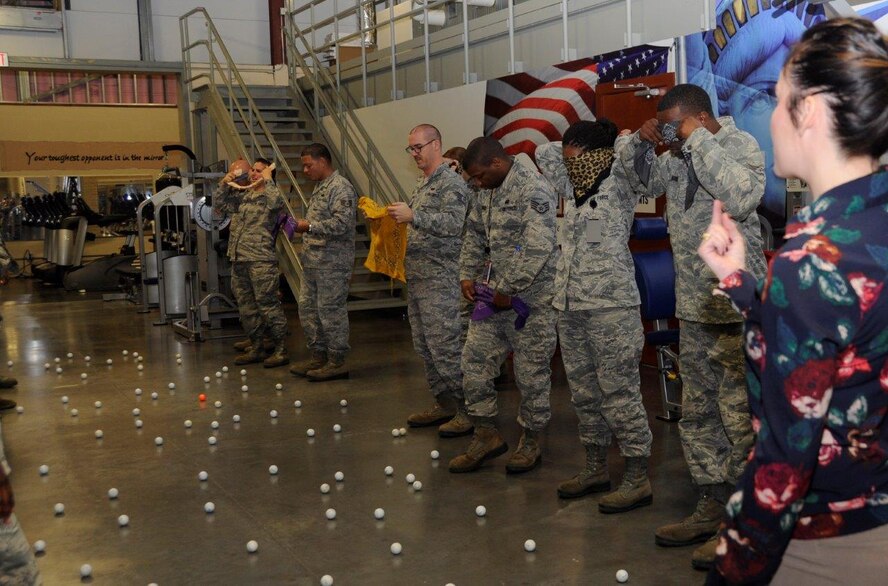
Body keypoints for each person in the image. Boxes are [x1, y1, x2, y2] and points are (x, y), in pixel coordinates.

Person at [699, 18, 888, 584]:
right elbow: (846, 345)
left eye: (777, 101)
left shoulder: (811, 258)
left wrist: (731, 566)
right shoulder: (864, 228)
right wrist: (742, 286)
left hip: (827, 542)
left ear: (808, 112)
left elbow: (781, 466)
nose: (769, 117)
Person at [615, 83, 767, 565]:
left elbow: (742, 197)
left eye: (673, 124)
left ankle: (749, 525)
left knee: (740, 416)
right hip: (693, 305)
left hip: (735, 306)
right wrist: (640, 143)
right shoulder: (678, 155)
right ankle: (711, 504)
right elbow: (641, 184)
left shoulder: (737, 144)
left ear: (699, 117)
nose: (670, 135)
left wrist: (697, 139)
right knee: (698, 411)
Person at [536, 120, 653, 513]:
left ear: (590, 151)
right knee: (584, 394)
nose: (565, 156)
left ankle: (638, 475)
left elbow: (632, 151)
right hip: (570, 306)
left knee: (619, 393)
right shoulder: (574, 186)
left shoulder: (618, 179)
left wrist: (617, 140)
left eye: (574, 149)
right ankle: (595, 467)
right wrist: (576, 149)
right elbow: (543, 151)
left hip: (611, 307)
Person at [449, 136, 559, 474]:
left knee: (531, 375)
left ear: (497, 163)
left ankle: (531, 439)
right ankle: (486, 435)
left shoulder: (533, 188)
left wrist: (508, 288)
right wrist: (467, 274)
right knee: (473, 362)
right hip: (493, 298)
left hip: (530, 301)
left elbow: (538, 247)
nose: (477, 184)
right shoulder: (486, 190)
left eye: (480, 176)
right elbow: (473, 233)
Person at [388, 124, 472, 437]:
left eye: (418, 147)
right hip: (420, 281)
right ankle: (444, 402)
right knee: (424, 347)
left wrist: (414, 216)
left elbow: (453, 224)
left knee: (446, 347)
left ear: (436, 144)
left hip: (442, 282)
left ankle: (467, 410)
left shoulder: (450, 183)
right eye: (410, 149)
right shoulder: (424, 184)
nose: (414, 154)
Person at [289, 143, 357, 382]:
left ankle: (337, 361)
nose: (305, 170)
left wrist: (309, 226)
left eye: (308, 165)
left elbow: (342, 224)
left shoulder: (341, 188)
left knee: (331, 312)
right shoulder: (320, 188)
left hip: (332, 263)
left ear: (323, 161)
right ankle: (318, 355)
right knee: (308, 308)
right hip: (313, 261)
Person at [216, 158, 290, 368]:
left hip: (260, 260)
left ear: (267, 173)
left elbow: (277, 204)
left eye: (259, 171)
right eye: (253, 171)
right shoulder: (244, 196)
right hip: (239, 259)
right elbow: (220, 205)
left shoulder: (270, 196)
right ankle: (257, 347)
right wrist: (225, 183)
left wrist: (269, 181)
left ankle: (280, 349)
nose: (254, 174)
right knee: (247, 307)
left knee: (268, 306)